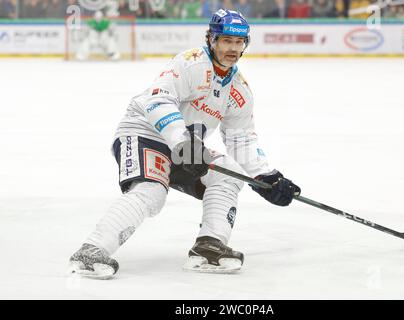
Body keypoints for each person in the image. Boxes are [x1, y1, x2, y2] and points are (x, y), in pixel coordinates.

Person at [68, 8, 300, 279]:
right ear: (211, 40)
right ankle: (91, 250)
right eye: (226, 41)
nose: (233, 49)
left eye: (239, 42)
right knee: (151, 191)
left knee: (228, 174)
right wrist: (183, 142)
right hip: (145, 133)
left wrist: (265, 176)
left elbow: (241, 138)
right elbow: (158, 100)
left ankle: (209, 246)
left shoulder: (239, 89)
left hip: (186, 148)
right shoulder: (190, 63)